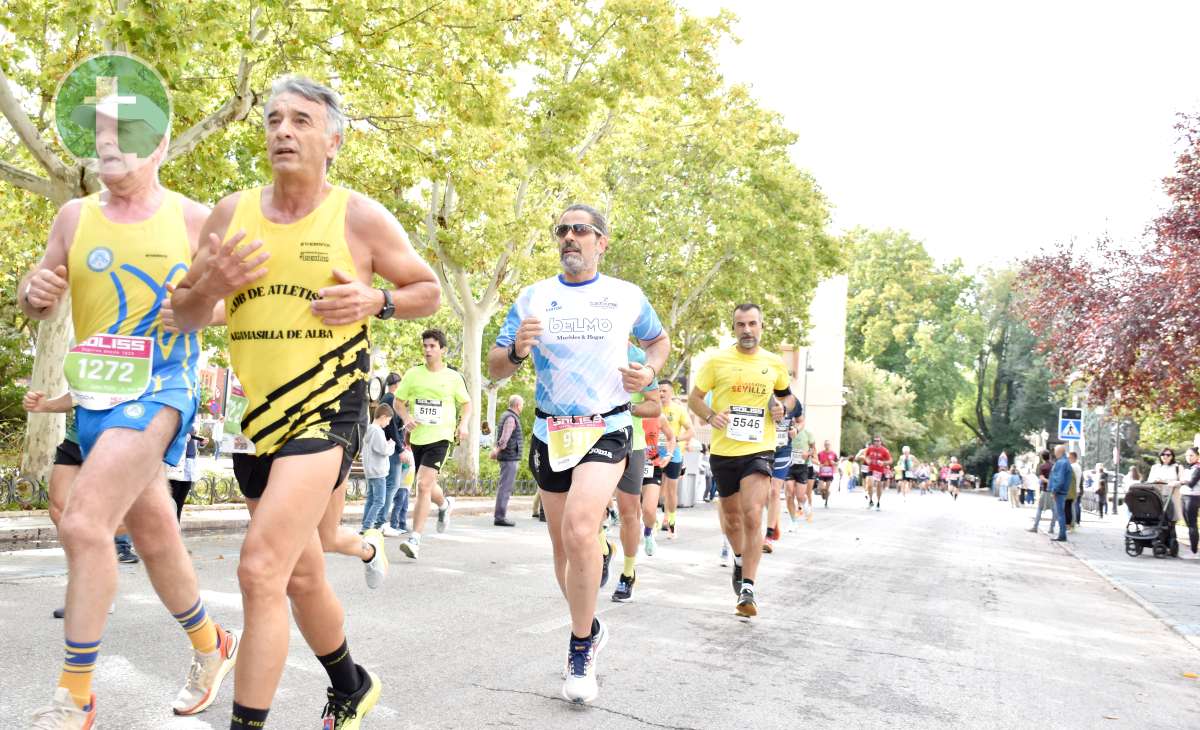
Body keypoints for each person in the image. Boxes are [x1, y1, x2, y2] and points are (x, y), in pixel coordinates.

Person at [172, 75, 440, 729]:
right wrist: (208, 283)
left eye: (300, 120)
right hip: (252, 419)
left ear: (333, 140)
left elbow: (427, 290)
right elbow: (183, 313)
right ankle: (350, 683)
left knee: (261, 567)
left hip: (327, 409)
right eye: (273, 120)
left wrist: (377, 301)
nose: (283, 131)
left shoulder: (357, 216)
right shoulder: (231, 213)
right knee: (299, 575)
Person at [20, 83, 238, 726]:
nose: (110, 144)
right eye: (102, 133)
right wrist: (35, 291)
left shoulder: (195, 219)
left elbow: (237, 303)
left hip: (160, 387)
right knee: (154, 535)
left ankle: (74, 698)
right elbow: (39, 298)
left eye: (127, 132)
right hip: (93, 396)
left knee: (85, 521)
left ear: (161, 143)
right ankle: (213, 645)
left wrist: (196, 307)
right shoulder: (73, 218)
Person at [487, 203, 668, 704]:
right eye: (563, 230)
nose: (570, 236)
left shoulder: (626, 296)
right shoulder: (533, 297)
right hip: (550, 431)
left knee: (582, 527)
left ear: (601, 242)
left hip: (607, 426)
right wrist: (518, 351)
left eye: (581, 229)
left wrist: (649, 373)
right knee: (564, 552)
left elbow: (658, 341)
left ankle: (580, 646)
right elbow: (497, 366)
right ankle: (589, 623)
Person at [688, 302, 796, 619]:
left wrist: (783, 409)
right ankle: (738, 558)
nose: (747, 330)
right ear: (733, 328)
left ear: (761, 327)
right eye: (741, 325)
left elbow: (788, 396)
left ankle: (748, 587)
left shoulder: (773, 363)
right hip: (724, 451)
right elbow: (695, 397)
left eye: (752, 324)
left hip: (759, 449)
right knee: (733, 519)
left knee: (752, 515)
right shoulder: (716, 362)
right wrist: (709, 415)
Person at [394, 329, 471, 559]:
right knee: (428, 485)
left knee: (423, 485)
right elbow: (399, 402)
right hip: (418, 437)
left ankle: (414, 539)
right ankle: (445, 504)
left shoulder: (453, 378)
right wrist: (407, 418)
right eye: (425, 345)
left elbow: (466, 404)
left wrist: (463, 424)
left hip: (441, 437)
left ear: (443, 350)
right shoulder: (413, 375)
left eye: (432, 346)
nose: (427, 350)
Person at [611, 343, 663, 601]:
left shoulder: (637, 357)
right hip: (590, 439)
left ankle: (628, 573)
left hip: (632, 443)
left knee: (630, 512)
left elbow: (655, 406)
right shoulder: (584, 345)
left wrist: (628, 408)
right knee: (589, 507)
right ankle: (602, 548)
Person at [658, 381, 693, 538]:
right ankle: (652, 523)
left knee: (671, 491)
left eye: (664, 391)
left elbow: (691, 431)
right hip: (655, 454)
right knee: (656, 490)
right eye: (659, 390)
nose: (661, 393)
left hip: (674, 454)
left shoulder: (678, 410)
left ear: (671, 393)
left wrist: (675, 439)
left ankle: (671, 522)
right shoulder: (653, 408)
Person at [376, 372, 406, 536]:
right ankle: (381, 521)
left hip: (391, 444)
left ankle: (380, 520)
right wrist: (400, 448)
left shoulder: (386, 398)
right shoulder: (390, 399)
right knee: (392, 484)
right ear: (398, 384)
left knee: (389, 484)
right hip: (392, 446)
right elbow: (392, 427)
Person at [360, 404, 397, 533]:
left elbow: (376, 448)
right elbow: (383, 450)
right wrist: (391, 445)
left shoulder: (370, 429)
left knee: (371, 500)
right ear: (383, 416)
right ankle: (367, 527)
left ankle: (365, 526)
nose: (388, 423)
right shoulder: (377, 431)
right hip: (378, 472)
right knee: (379, 501)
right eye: (388, 420)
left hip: (370, 471)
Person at [490, 394, 525, 526]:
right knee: (505, 487)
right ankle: (500, 517)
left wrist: (496, 450)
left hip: (509, 456)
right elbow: (505, 437)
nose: (522, 407)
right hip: (509, 456)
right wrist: (496, 450)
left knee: (504, 486)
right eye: (522, 405)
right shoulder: (511, 418)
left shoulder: (507, 415)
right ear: (517, 405)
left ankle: (500, 515)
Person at [785, 410, 815, 529]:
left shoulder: (807, 433)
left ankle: (806, 507)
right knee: (789, 493)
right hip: (788, 466)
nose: (794, 421)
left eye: (796, 419)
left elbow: (813, 449)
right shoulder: (786, 432)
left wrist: (808, 453)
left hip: (802, 467)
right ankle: (793, 521)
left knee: (800, 496)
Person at [1171, 447, 1200, 556]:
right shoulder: (1188, 468)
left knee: (1192, 524)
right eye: (1187, 455)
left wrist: (1179, 482)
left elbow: (1192, 483)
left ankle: (1194, 550)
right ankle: (1194, 549)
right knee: (1188, 524)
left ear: (1197, 456)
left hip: (1193, 497)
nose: (1189, 457)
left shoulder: (1198, 468)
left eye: (1191, 455)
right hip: (1185, 496)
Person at [1148, 447, 1185, 525]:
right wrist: (1156, 481)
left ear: (1172, 456)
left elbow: (1183, 481)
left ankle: (1172, 536)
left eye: (1168, 455)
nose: (1165, 456)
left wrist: (1173, 482)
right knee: (1157, 519)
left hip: (1172, 496)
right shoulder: (1155, 467)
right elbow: (1149, 481)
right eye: (1163, 454)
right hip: (1157, 496)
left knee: (1171, 520)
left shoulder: (1177, 467)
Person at [1048, 445, 1072, 542]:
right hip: (1063, 491)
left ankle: (1062, 535)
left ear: (1059, 452)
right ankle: (1062, 534)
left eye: (1055, 451)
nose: (1054, 453)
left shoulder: (1061, 463)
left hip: (1059, 492)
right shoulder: (1066, 462)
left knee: (1060, 514)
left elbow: (1059, 479)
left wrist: (1054, 490)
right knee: (1061, 513)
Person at [861, 436, 892, 510]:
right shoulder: (870, 448)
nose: (877, 442)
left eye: (878, 441)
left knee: (879, 487)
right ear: (873, 442)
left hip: (880, 471)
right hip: (871, 469)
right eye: (875, 441)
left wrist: (883, 462)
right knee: (869, 484)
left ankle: (878, 502)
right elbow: (865, 456)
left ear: (881, 442)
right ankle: (870, 500)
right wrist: (867, 460)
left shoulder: (884, 450)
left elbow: (890, 461)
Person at [816, 440, 838, 508]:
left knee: (827, 488)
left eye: (828, 444)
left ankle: (826, 502)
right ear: (824, 445)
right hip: (822, 473)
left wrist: (834, 463)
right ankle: (823, 493)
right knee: (820, 488)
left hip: (829, 474)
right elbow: (816, 461)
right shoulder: (820, 453)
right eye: (826, 444)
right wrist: (819, 464)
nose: (827, 446)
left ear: (830, 445)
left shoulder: (833, 454)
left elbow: (837, 463)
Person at [1067, 451, 1082, 531]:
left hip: (1073, 489)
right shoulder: (1078, 466)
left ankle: (1072, 524)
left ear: (1073, 457)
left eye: (1069, 457)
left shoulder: (1072, 466)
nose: (1068, 459)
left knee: (1071, 507)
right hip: (1076, 489)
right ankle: (1074, 523)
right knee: (1074, 506)